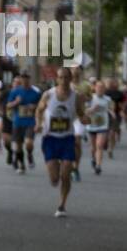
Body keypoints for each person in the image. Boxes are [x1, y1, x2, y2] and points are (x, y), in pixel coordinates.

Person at [37, 65, 89, 217]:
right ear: (56, 79)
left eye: (67, 77)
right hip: (50, 138)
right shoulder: (48, 95)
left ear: (71, 79)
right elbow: (39, 110)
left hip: (67, 138)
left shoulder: (76, 96)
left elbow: (81, 114)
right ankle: (56, 175)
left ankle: (62, 205)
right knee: (54, 179)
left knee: (66, 173)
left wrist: (85, 118)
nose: (64, 80)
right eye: (61, 77)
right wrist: (38, 123)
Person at [6, 72, 39, 172]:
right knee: (18, 146)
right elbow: (8, 106)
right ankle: (22, 164)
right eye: (23, 78)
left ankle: (29, 154)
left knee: (29, 143)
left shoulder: (35, 92)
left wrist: (35, 107)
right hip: (18, 122)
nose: (25, 80)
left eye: (27, 78)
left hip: (30, 121)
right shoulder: (15, 92)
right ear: (21, 79)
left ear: (30, 79)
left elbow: (41, 106)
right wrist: (16, 102)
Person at [85, 80, 112, 173]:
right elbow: (85, 111)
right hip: (92, 125)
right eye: (98, 87)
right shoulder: (90, 98)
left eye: (102, 87)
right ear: (95, 88)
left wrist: (113, 114)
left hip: (103, 125)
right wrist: (92, 109)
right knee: (93, 147)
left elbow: (111, 109)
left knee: (99, 145)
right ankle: (93, 158)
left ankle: (98, 165)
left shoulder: (108, 99)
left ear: (105, 89)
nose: (100, 89)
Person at [105, 78, 126, 157]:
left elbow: (123, 103)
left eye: (113, 83)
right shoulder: (104, 92)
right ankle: (106, 143)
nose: (111, 84)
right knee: (106, 132)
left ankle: (110, 149)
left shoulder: (119, 93)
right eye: (109, 83)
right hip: (105, 114)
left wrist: (122, 111)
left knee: (112, 132)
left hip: (115, 115)